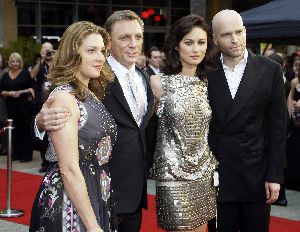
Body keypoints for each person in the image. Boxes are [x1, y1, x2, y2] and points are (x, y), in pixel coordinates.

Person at [35, 10, 154, 232]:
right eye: (124, 37)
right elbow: (58, 109)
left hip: (122, 191)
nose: (133, 44)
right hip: (83, 193)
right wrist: (40, 121)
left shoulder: (139, 78)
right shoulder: (93, 75)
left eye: (138, 37)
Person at [30, 21, 117, 232]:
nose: (100, 58)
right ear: (72, 54)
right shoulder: (65, 98)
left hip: (94, 190)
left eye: (102, 51)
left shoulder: (88, 93)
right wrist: (93, 226)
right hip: (70, 203)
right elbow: (68, 169)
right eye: (91, 50)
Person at [208, 10, 287, 232]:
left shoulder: (270, 70)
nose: (235, 40)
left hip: (256, 177)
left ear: (245, 31)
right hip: (218, 178)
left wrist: (274, 175)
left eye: (239, 32)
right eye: (226, 35)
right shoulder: (205, 71)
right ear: (215, 39)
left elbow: (278, 129)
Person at [150, 14, 218, 232]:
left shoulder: (207, 83)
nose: (196, 49)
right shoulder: (158, 82)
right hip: (171, 173)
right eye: (188, 42)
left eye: (201, 43)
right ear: (176, 46)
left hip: (204, 170)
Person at [0, 52, 35, 162]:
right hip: (10, 107)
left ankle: (26, 155)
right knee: (14, 131)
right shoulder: (5, 75)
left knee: (25, 131)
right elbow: (1, 91)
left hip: (24, 106)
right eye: (13, 61)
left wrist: (21, 92)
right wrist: (10, 94)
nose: (15, 63)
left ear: (20, 62)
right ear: (10, 62)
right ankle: (16, 153)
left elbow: (32, 88)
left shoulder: (25, 73)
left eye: (17, 61)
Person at [30, 42, 55, 173]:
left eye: (50, 50)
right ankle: (44, 162)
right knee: (42, 135)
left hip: (55, 101)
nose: (48, 53)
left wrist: (56, 59)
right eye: (45, 50)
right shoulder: (40, 64)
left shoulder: (57, 64)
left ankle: (54, 161)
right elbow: (32, 75)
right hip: (40, 103)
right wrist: (41, 60)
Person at [286, 63, 300, 191]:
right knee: (294, 148)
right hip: (296, 121)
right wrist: (292, 109)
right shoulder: (295, 82)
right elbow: (290, 98)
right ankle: (293, 179)